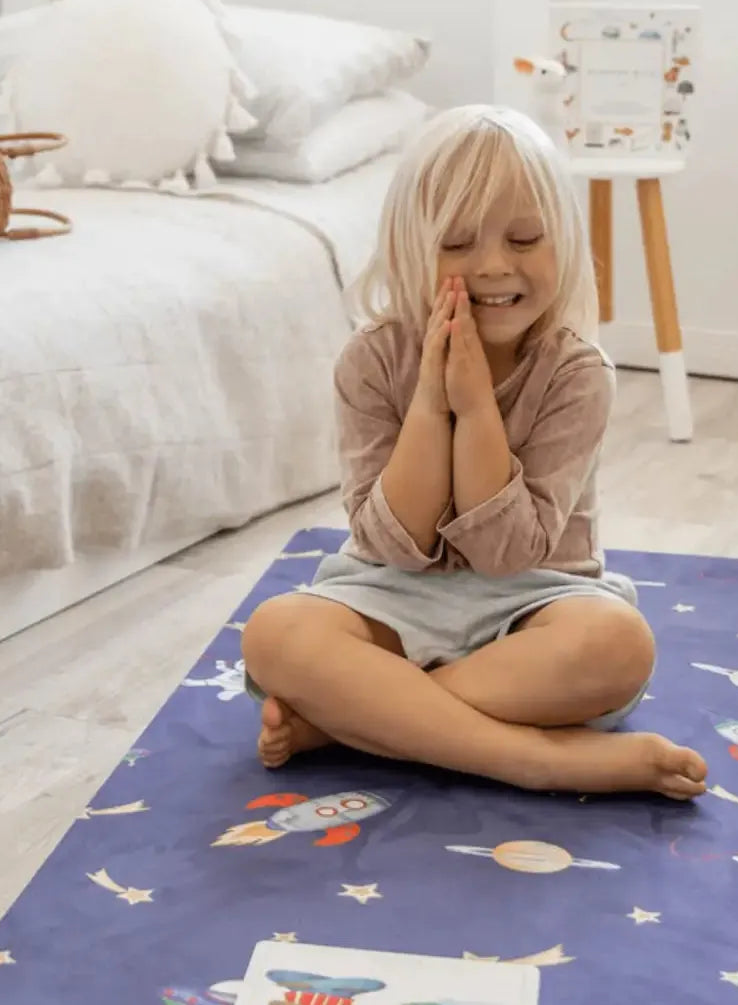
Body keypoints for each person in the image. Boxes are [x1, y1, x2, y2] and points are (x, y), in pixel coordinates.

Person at [240, 105, 708, 800]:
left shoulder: (578, 374)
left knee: (620, 644)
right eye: (456, 243)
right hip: (391, 594)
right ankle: (540, 759)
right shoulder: (371, 361)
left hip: (539, 597)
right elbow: (394, 547)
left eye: (524, 238)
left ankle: (359, 723)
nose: (493, 265)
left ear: (564, 244)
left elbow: (508, 552)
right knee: (274, 634)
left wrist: (478, 406)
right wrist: (431, 402)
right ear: (407, 249)